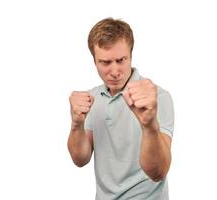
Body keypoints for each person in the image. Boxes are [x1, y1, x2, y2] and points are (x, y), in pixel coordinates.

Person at [67, 17, 174, 200]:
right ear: (94, 61)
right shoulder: (92, 99)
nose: (115, 71)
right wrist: (76, 124)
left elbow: (158, 172)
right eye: (105, 62)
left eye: (121, 60)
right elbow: (80, 159)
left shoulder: (157, 97)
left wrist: (149, 125)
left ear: (131, 56)